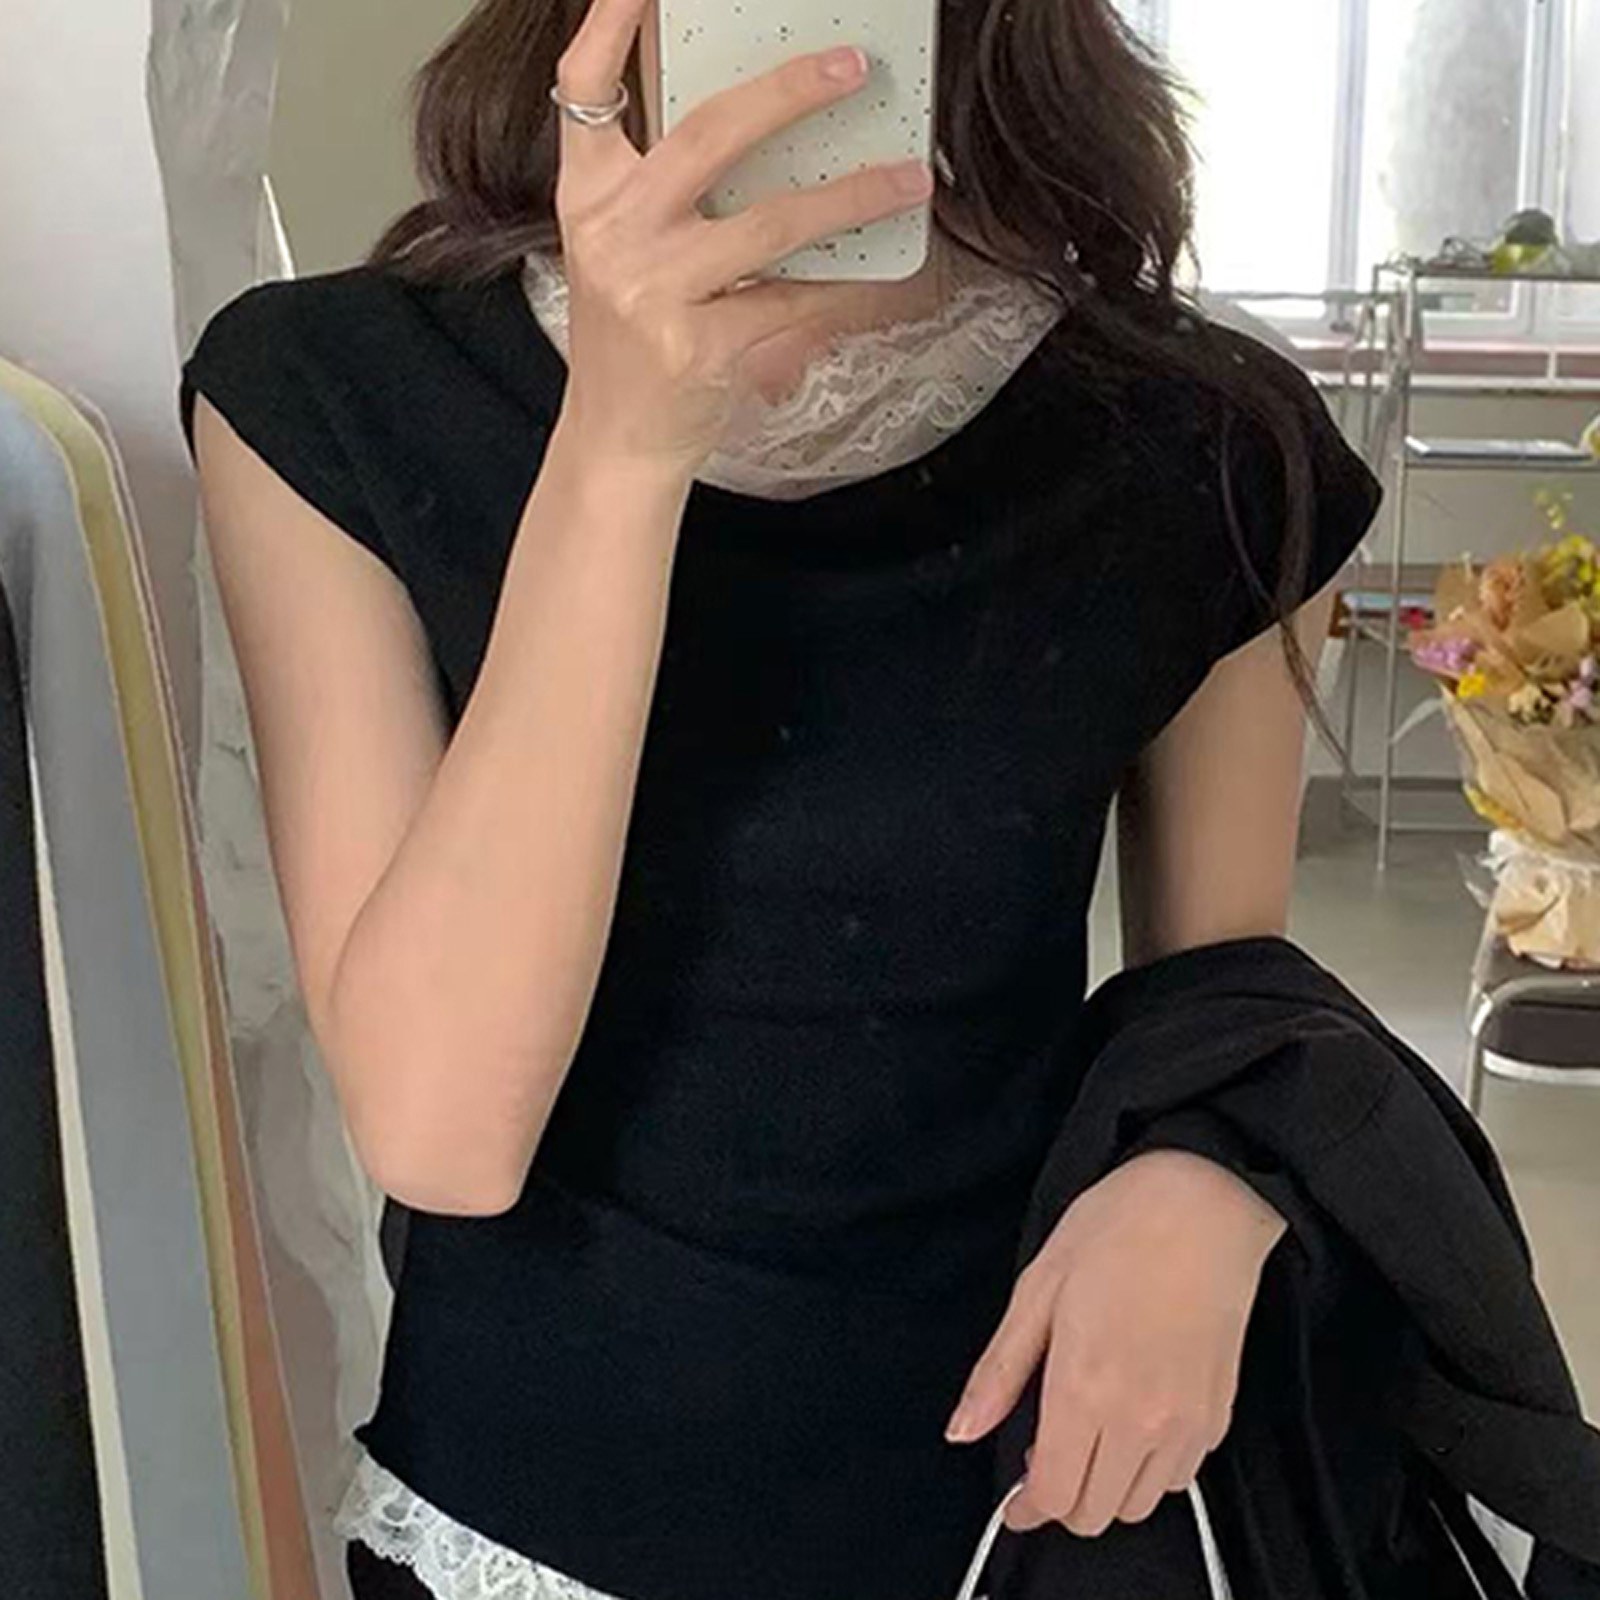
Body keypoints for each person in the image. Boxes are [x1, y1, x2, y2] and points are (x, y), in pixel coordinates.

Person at [178, 0, 1383, 1597]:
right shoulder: (329, 392)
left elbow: (1216, 1017)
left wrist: (1207, 1174)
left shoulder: (1208, 440)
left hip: (1009, 1525)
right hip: (514, 1530)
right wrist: (620, 453)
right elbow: (442, 1131)